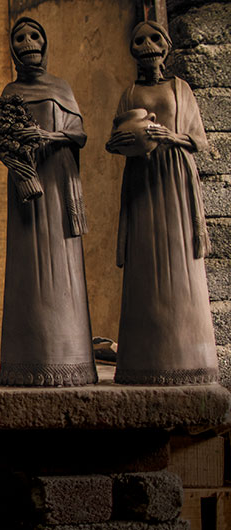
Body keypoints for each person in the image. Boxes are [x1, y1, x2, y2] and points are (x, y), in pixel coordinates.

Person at [106, 21, 218, 385]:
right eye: (139, 40)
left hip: (174, 179)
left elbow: (199, 141)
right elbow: (115, 136)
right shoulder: (130, 92)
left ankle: (187, 358)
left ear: (166, 47)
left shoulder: (179, 88)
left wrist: (171, 136)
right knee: (144, 263)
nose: (147, 46)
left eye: (154, 39)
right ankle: (143, 358)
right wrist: (121, 143)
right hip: (142, 181)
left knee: (179, 259)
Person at [0, 18, 98, 387]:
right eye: (19, 37)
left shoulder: (62, 88)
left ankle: (70, 360)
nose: (27, 42)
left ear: (45, 42)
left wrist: (46, 135)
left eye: (34, 35)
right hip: (27, 186)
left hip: (57, 183)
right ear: (12, 49)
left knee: (62, 263)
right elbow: (1, 137)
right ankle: (26, 361)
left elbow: (79, 135)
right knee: (27, 269)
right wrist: (18, 154)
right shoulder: (10, 91)